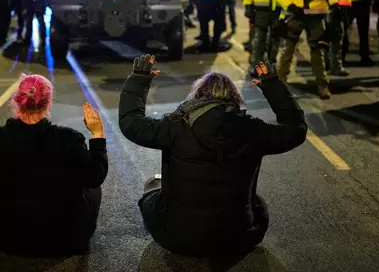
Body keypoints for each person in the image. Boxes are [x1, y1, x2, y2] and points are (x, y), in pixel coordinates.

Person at [118, 55, 307, 257]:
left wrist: (139, 78)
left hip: (176, 237)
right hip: (239, 239)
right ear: (234, 97)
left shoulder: (175, 126)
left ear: (198, 95)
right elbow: (296, 129)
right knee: (257, 204)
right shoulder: (253, 129)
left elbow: (131, 122)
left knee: (151, 190)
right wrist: (273, 86)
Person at [0, 74, 108, 256]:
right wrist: (98, 135)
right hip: (67, 240)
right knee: (90, 181)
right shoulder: (68, 139)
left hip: (6, 240)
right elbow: (95, 177)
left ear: (17, 102)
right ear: (47, 103)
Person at [275, 0, 337, 99]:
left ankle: (322, 85)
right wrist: (292, 6)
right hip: (295, 15)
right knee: (287, 50)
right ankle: (280, 85)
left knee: (318, 52)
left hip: (317, 17)